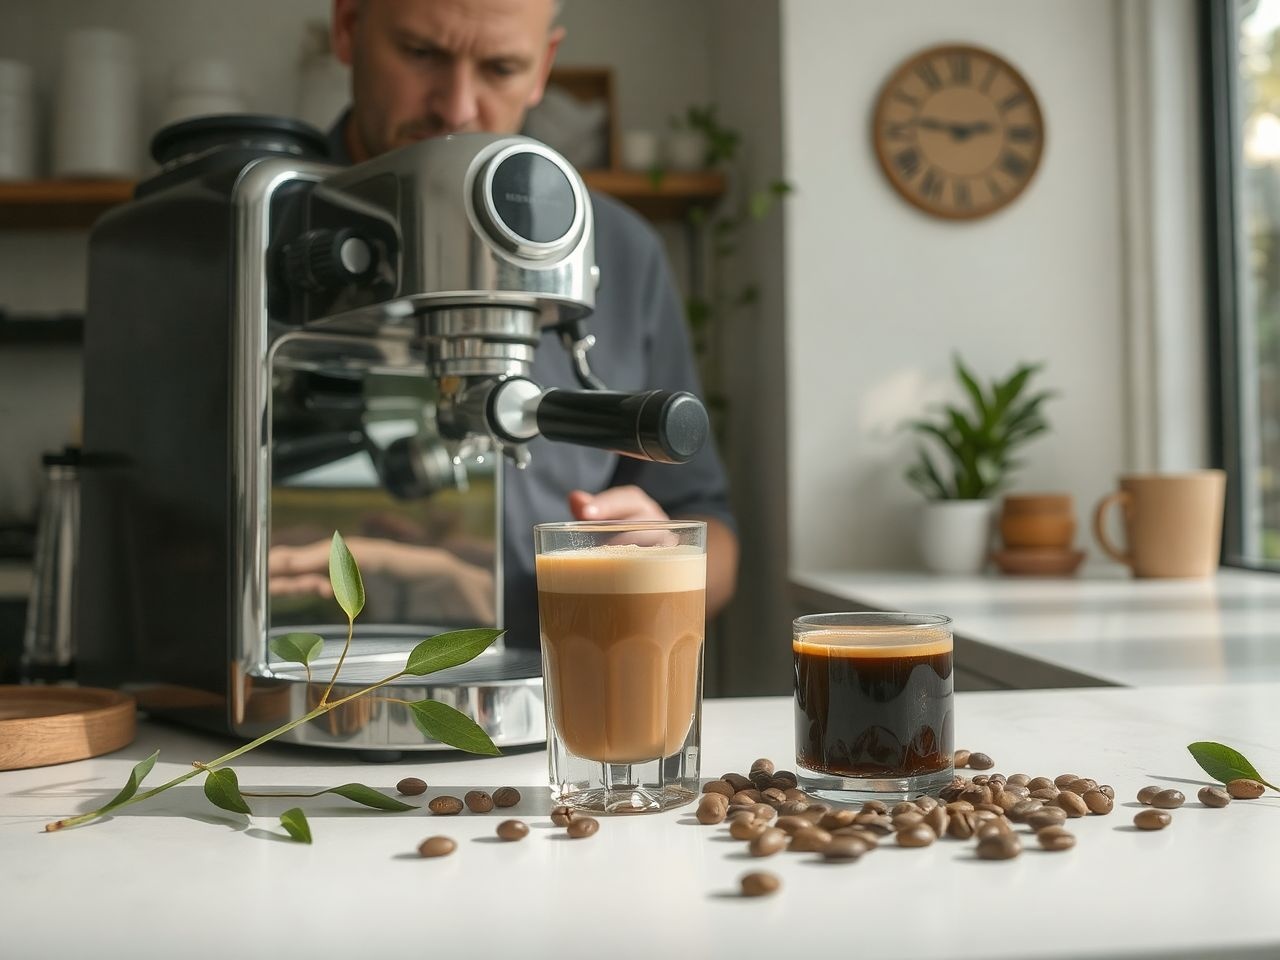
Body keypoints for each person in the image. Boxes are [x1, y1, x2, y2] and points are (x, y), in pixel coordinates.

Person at [280, 0, 737, 647]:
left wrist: (668, 561)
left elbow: (708, 523)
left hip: (552, 701)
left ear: (543, 65)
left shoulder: (619, 248)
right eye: (421, 53)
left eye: (500, 67)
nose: (457, 106)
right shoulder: (256, 224)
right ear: (349, 27)